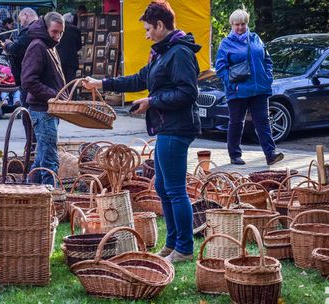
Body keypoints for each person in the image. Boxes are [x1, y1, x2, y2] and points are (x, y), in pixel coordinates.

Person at [83, 1, 201, 263]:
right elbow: (139, 79)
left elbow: (188, 93)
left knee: (175, 189)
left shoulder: (179, 52)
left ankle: (184, 248)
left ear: (161, 25)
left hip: (177, 127)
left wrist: (152, 101)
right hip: (165, 127)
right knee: (161, 185)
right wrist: (101, 82)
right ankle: (172, 245)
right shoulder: (162, 53)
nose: (146, 34)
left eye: (148, 29)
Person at [215, 8, 284, 166]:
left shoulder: (256, 39)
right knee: (236, 123)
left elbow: (267, 60)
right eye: (237, 24)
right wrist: (233, 85)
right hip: (238, 91)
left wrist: (268, 77)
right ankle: (235, 155)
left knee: (263, 121)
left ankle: (270, 154)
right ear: (232, 25)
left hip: (259, 88)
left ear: (247, 23)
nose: (240, 27)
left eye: (243, 24)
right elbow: (220, 68)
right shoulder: (226, 44)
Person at [21, 12, 65, 185]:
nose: (57, 36)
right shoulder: (38, 46)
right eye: (54, 31)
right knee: (49, 160)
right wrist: (54, 96)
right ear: (45, 28)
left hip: (49, 109)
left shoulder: (49, 45)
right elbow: (28, 81)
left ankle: (32, 192)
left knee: (42, 158)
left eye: (60, 33)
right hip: (42, 110)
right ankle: (50, 199)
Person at [3, 7, 38, 106]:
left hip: (28, 75)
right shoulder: (39, 29)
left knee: (28, 108)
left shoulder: (30, 30)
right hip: (33, 73)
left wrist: (9, 45)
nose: (21, 23)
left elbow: (17, 49)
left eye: (20, 19)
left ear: (26, 15)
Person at [57, 12, 82, 84]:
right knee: (71, 83)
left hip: (59, 59)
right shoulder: (76, 29)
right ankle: (72, 95)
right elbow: (79, 46)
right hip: (72, 60)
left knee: (60, 83)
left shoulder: (58, 28)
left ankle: (61, 95)